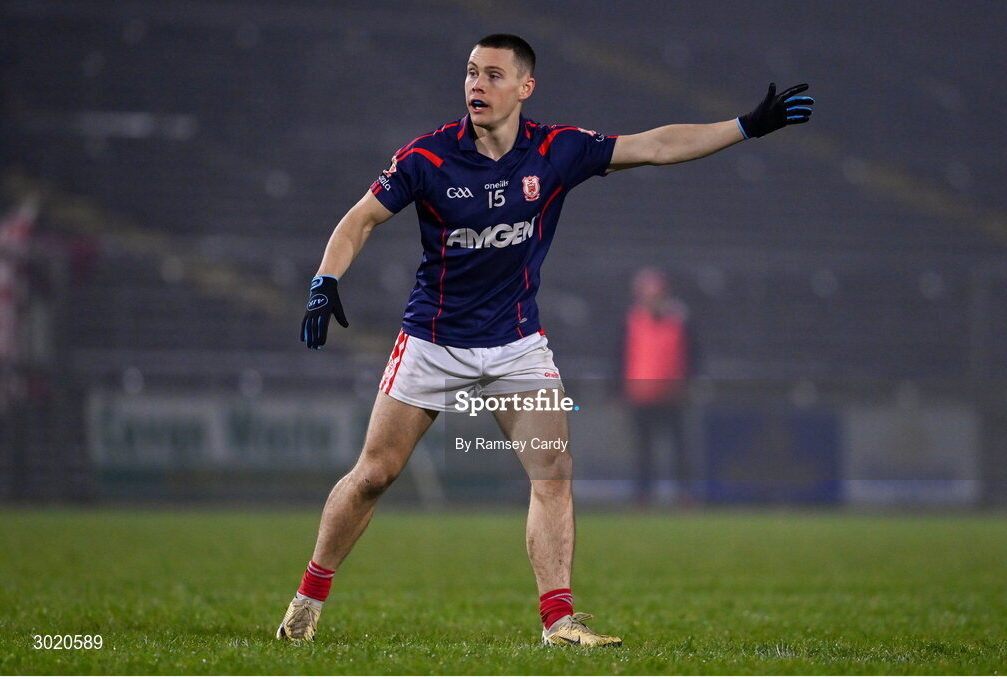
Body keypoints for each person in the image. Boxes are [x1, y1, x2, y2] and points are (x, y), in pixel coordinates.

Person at [277, 33, 813, 647]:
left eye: (493, 76)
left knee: (554, 471)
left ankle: (558, 622)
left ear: (525, 88)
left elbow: (657, 145)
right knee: (375, 474)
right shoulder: (427, 157)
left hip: (516, 345)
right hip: (433, 341)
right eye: (472, 73)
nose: (477, 86)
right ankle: (306, 601)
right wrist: (325, 280)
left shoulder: (557, 151)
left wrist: (746, 125)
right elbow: (360, 219)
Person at [622, 268, 698, 504]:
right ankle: (643, 495)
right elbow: (622, 355)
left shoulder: (679, 321)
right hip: (641, 394)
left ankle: (683, 493)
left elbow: (691, 354)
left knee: (678, 448)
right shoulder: (632, 321)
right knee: (643, 450)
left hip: (672, 394)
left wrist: (689, 383)